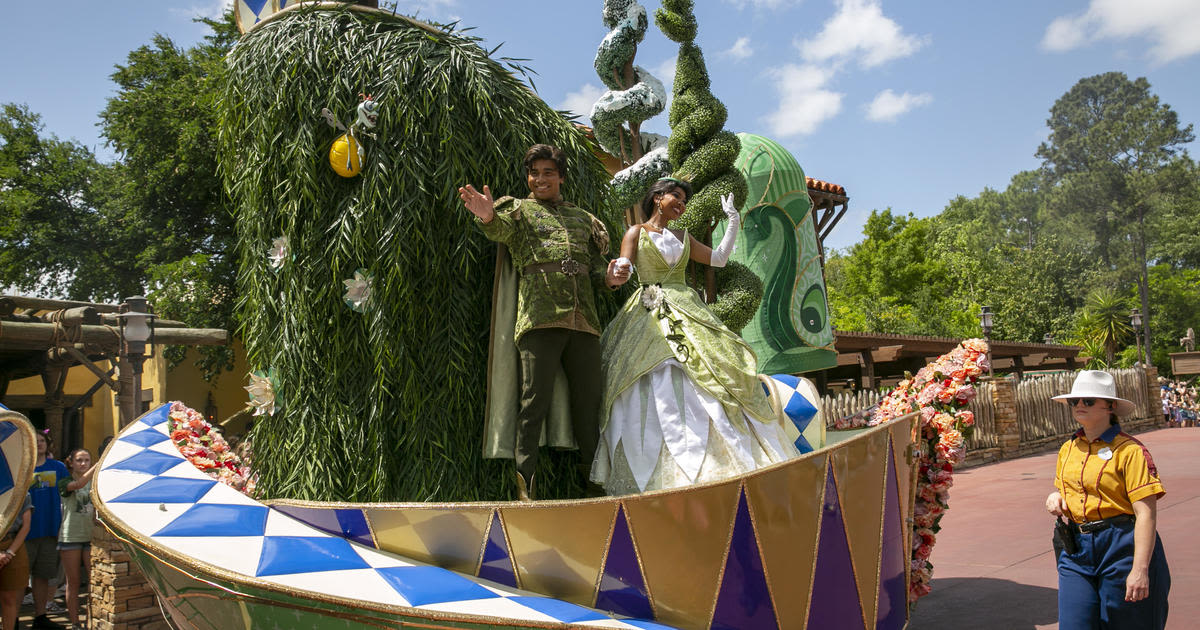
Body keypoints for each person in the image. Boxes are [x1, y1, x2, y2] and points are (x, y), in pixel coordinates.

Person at [590, 177, 799, 495]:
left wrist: (733, 220)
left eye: (684, 200)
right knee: (651, 375)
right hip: (648, 311)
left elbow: (718, 259)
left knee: (713, 369)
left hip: (688, 308)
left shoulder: (683, 236)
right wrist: (617, 273)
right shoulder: (636, 232)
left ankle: (724, 455)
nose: (681, 203)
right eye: (676, 196)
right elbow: (625, 268)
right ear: (657, 197)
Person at [459, 144, 629, 500]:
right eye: (534, 173)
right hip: (539, 318)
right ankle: (526, 488)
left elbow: (596, 269)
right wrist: (488, 216)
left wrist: (610, 275)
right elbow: (499, 230)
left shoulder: (583, 219)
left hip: (584, 322)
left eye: (547, 172)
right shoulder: (518, 211)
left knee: (588, 407)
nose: (539, 179)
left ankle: (594, 486)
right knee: (532, 405)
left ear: (561, 177)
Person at [1044, 370, 1170, 629]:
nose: (1079, 405)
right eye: (1074, 401)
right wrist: (1055, 497)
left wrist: (1140, 569)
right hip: (1077, 547)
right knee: (1074, 624)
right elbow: (1066, 489)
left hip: (1121, 544)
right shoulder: (1069, 448)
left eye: (1088, 401)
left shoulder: (1130, 451)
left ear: (1110, 406)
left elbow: (1146, 514)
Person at [28, 431, 68, 630]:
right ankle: (13, 618)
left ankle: (40, 616)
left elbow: (70, 489)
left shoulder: (58, 467)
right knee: (18, 581)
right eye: (35, 441)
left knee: (43, 576)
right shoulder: (22, 468)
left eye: (42, 440)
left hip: (50, 531)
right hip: (24, 534)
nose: (39, 444)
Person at [58, 449, 97, 630]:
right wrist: (98, 465)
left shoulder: (96, 483)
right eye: (79, 460)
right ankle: (75, 623)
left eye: (87, 460)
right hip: (70, 535)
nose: (83, 463)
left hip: (91, 537)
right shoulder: (64, 481)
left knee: (94, 580)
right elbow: (79, 484)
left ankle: (93, 619)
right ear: (71, 463)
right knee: (73, 582)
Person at [0, 494, 32, 630]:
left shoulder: (22, 493)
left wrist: (9, 553)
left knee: (10, 597)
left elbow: (26, 526)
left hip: (13, 545)